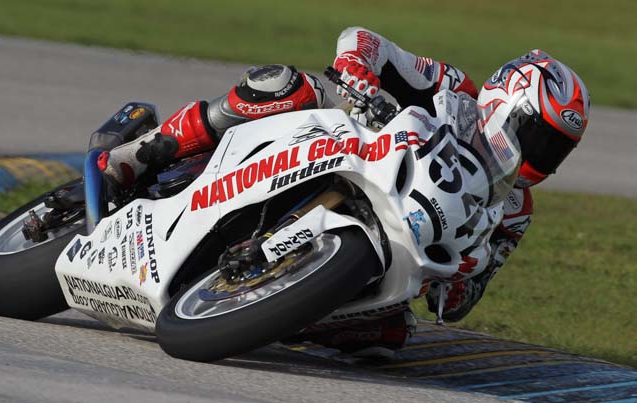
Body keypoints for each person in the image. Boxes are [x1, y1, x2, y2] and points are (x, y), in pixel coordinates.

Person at [99, 26, 590, 353]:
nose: (542, 157)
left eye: (557, 151)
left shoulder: (516, 208)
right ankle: (146, 150)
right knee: (289, 86)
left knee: (389, 336)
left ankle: (275, 310)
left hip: (398, 238)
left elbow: (465, 299)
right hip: (349, 157)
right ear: (509, 97)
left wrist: (462, 278)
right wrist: (357, 70)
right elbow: (367, 41)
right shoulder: (453, 87)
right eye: (541, 137)